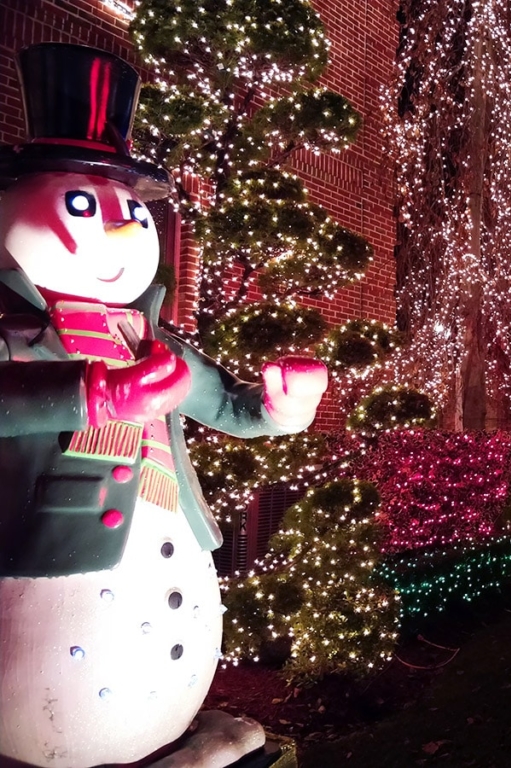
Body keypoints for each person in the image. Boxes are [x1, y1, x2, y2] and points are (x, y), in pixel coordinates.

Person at [0, 43, 327, 768]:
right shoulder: (15, 332)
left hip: (171, 559)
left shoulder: (156, 342)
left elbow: (231, 407)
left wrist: (280, 408)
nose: (120, 226)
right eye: (84, 202)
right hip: (52, 576)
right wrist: (91, 394)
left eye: (129, 210)